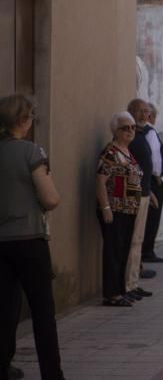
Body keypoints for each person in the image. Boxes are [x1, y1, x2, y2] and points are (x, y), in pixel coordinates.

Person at [0, 95, 64, 380]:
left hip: (1, 241)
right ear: (23, 121)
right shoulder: (30, 151)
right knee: (42, 311)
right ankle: (52, 373)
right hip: (29, 238)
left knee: (4, 308)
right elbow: (51, 198)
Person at [96, 111, 142, 307]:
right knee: (113, 251)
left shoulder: (127, 151)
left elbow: (133, 177)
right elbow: (100, 180)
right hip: (115, 209)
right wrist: (105, 207)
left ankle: (121, 290)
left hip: (129, 209)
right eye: (125, 128)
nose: (130, 131)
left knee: (123, 251)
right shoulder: (110, 152)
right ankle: (111, 294)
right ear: (115, 131)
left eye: (133, 128)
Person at [124, 99, 157, 301]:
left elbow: (144, 169)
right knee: (132, 241)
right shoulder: (132, 138)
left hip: (144, 193)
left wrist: (150, 190)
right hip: (134, 196)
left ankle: (133, 283)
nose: (145, 115)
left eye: (147, 111)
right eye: (141, 111)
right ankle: (127, 284)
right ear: (131, 112)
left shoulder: (142, 134)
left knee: (138, 241)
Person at [141, 102, 163, 264]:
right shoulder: (149, 132)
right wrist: (157, 177)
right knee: (152, 217)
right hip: (152, 180)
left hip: (147, 178)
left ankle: (146, 250)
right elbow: (155, 158)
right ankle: (147, 251)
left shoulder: (141, 131)